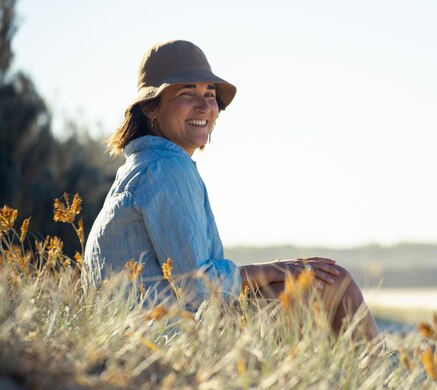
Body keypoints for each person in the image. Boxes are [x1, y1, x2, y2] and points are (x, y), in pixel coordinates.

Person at [84, 40, 379, 340]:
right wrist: (275, 270)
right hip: (171, 340)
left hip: (150, 332)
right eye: (187, 93)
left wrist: (273, 275)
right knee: (334, 284)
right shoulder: (165, 168)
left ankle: (354, 376)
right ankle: (379, 378)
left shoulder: (142, 167)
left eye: (209, 94)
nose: (204, 106)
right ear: (151, 108)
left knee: (304, 286)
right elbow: (198, 287)